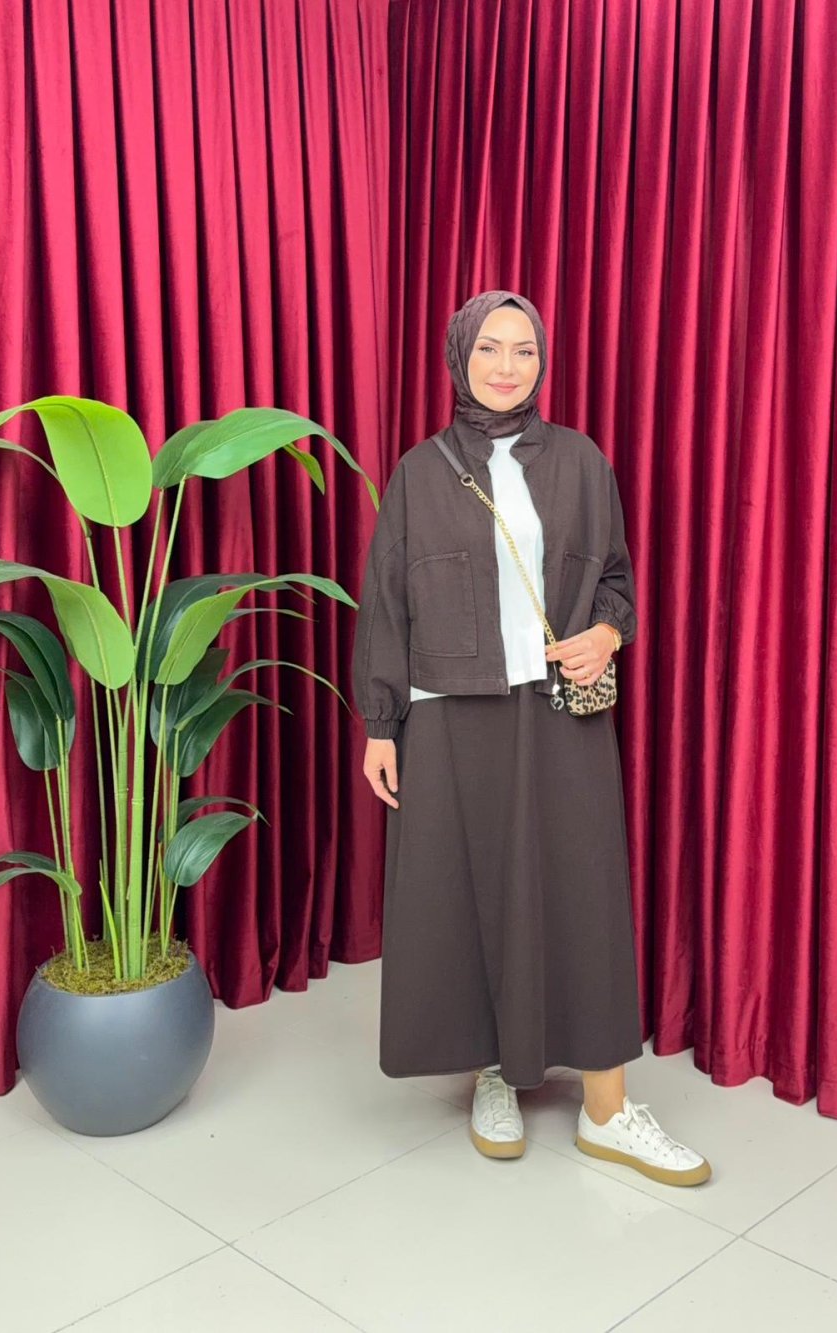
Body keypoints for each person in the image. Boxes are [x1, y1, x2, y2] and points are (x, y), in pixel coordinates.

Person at [352, 290, 711, 1187]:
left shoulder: (582, 461)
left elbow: (617, 578)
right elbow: (386, 603)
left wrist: (608, 633)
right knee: (472, 888)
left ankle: (608, 1110)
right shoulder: (419, 472)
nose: (507, 367)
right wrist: (380, 724)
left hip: (560, 707)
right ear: (458, 357)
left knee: (583, 889)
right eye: (489, 349)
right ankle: (494, 1074)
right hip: (450, 710)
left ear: (542, 362)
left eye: (524, 350)